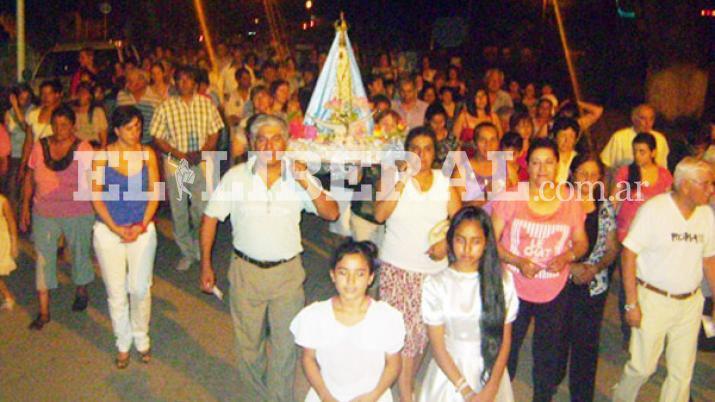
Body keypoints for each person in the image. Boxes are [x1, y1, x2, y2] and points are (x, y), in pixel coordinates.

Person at [199, 114, 338, 402]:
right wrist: (206, 264)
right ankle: (257, 396)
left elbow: (331, 212)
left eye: (276, 138)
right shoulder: (236, 177)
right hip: (246, 272)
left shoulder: (298, 177)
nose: (269, 145)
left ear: (286, 142)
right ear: (252, 143)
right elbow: (210, 218)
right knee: (248, 347)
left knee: (286, 347)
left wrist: (305, 181)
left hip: (286, 275)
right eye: (262, 138)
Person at [491, 138, 589, 402]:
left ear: (558, 166)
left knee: (548, 354)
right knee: (507, 350)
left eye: (548, 162)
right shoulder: (511, 197)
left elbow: (581, 242)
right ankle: (501, 395)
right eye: (535, 162)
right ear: (527, 165)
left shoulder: (569, 199)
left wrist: (567, 256)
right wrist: (517, 261)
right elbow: (491, 240)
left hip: (554, 290)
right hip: (514, 287)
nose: (542, 169)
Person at [612, 157, 715, 402]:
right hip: (653, 300)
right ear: (685, 185)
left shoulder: (706, 216)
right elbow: (629, 254)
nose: (711, 190)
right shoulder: (655, 209)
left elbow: (709, 260)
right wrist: (631, 303)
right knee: (643, 367)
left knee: (682, 373)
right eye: (706, 184)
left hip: (690, 303)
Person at [374, 127, 462, 402]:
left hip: (435, 273)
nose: (421, 155)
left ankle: (404, 384)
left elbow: (461, 225)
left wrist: (447, 244)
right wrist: (401, 179)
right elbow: (379, 214)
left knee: (423, 337)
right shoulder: (391, 177)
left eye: (427, 148)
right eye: (415, 148)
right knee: (403, 338)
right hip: (397, 269)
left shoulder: (443, 182)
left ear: (435, 153)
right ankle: (406, 395)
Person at [419, 206, 519, 402]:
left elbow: (505, 340)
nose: (466, 249)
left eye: (475, 242)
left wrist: (492, 387)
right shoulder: (436, 284)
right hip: (450, 375)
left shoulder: (502, 281)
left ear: (486, 243)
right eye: (460, 240)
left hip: (490, 370)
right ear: (450, 240)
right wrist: (465, 390)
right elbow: (437, 346)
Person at [290, 240, 405, 402]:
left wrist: (374, 395)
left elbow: (393, 364)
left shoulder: (386, 318)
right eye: (343, 273)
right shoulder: (315, 316)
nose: (351, 281)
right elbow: (308, 358)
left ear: (370, 277)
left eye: (359, 274)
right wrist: (324, 395)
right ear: (333, 275)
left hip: (372, 397)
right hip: (327, 395)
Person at [90, 106, 160, 369]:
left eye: (138, 126)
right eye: (130, 127)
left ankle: (141, 336)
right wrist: (116, 228)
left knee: (140, 288)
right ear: (117, 130)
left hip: (142, 228)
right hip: (109, 231)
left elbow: (156, 191)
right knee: (116, 291)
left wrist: (142, 224)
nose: (136, 132)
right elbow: (96, 196)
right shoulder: (102, 156)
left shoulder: (147, 154)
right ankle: (123, 341)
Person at [20, 105, 96, 330]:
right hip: (44, 211)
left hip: (77, 211)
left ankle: (81, 288)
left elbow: (94, 180)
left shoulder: (84, 149)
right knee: (43, 258)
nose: (59, 129)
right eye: (56, 124)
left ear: (73, 125)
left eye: (65, 124)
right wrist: (25, 205)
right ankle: (44, 311)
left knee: (79, 253)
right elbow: (30, 176)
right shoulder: (39, 146)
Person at [150, 65, 224, 272]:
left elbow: (215, 132)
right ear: (175, 82)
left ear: (195, 82)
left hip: (201, 162)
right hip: (176, 165)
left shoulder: (206, 105)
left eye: (188, 79)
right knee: (179, 210)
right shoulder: (166, 107)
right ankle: (187, 252)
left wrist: (202, 152)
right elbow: (157, 136)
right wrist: (178, 155)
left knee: (201, 209)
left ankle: (199, 246)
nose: (184, 83)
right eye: (180, 79)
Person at [558, 153, 619, 402]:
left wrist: (594, 268)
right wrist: (571, 267)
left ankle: (581, 395)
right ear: (572, 174)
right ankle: (551, 379)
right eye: (583, 173)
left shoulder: (604, 207)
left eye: (594, 175)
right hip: (561, 280)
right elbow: (549, 243)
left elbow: (612, 247)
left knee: (586, 342)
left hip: (593, 283)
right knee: (558, 336)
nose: (588, 179)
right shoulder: (560, 202)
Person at [610, 132, 672, 243]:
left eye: (642, 152)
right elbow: (613, 201)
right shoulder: (626, 171)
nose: (637, 156)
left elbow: (669, 204)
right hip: (627, 230)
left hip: (653, 231)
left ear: (653, 153)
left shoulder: (664, 175)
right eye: (635, 152)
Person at [600, 104, 669, 172]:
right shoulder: (619, 137)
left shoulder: (660, 139)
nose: (647, 123)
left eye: (651, 119)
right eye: (643, 118)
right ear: (633, 118)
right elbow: (608, 165)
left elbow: (663, 167)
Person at [19, 79, 63, 182]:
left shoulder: (63, 115)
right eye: (42, 93)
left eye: (49, 93)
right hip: (35, 159)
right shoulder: (33, 114)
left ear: (57, 95)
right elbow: (28, 141)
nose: (45, 97)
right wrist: (23, 164)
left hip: (54, 161)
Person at [116, 68, 162, 145]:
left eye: (130, 81)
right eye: (127, 81)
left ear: (142, 82)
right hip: (126, 142)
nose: (127, 84)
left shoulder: (155, 98)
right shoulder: (121, 95)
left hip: (148, 142)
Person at [72, 82, 108, 147]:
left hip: (93, 147)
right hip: (76, 147)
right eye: (79, 92)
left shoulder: (97, 111)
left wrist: (101, 152)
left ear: (90, 96)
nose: (81, 95)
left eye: (84, 93)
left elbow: (103, 138)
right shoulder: (71, 112)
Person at [0, 191, 19, 310]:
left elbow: (11, 221)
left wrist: (14, 243)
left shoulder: (2, 201)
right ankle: (7, 297)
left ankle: (8, 296)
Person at [552, 117, 580, 184]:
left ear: (576, 139)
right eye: (563, 135)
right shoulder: (549, 157)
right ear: (555, 137)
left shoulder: (579, 159)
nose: (566, 141)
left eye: (571, 136)